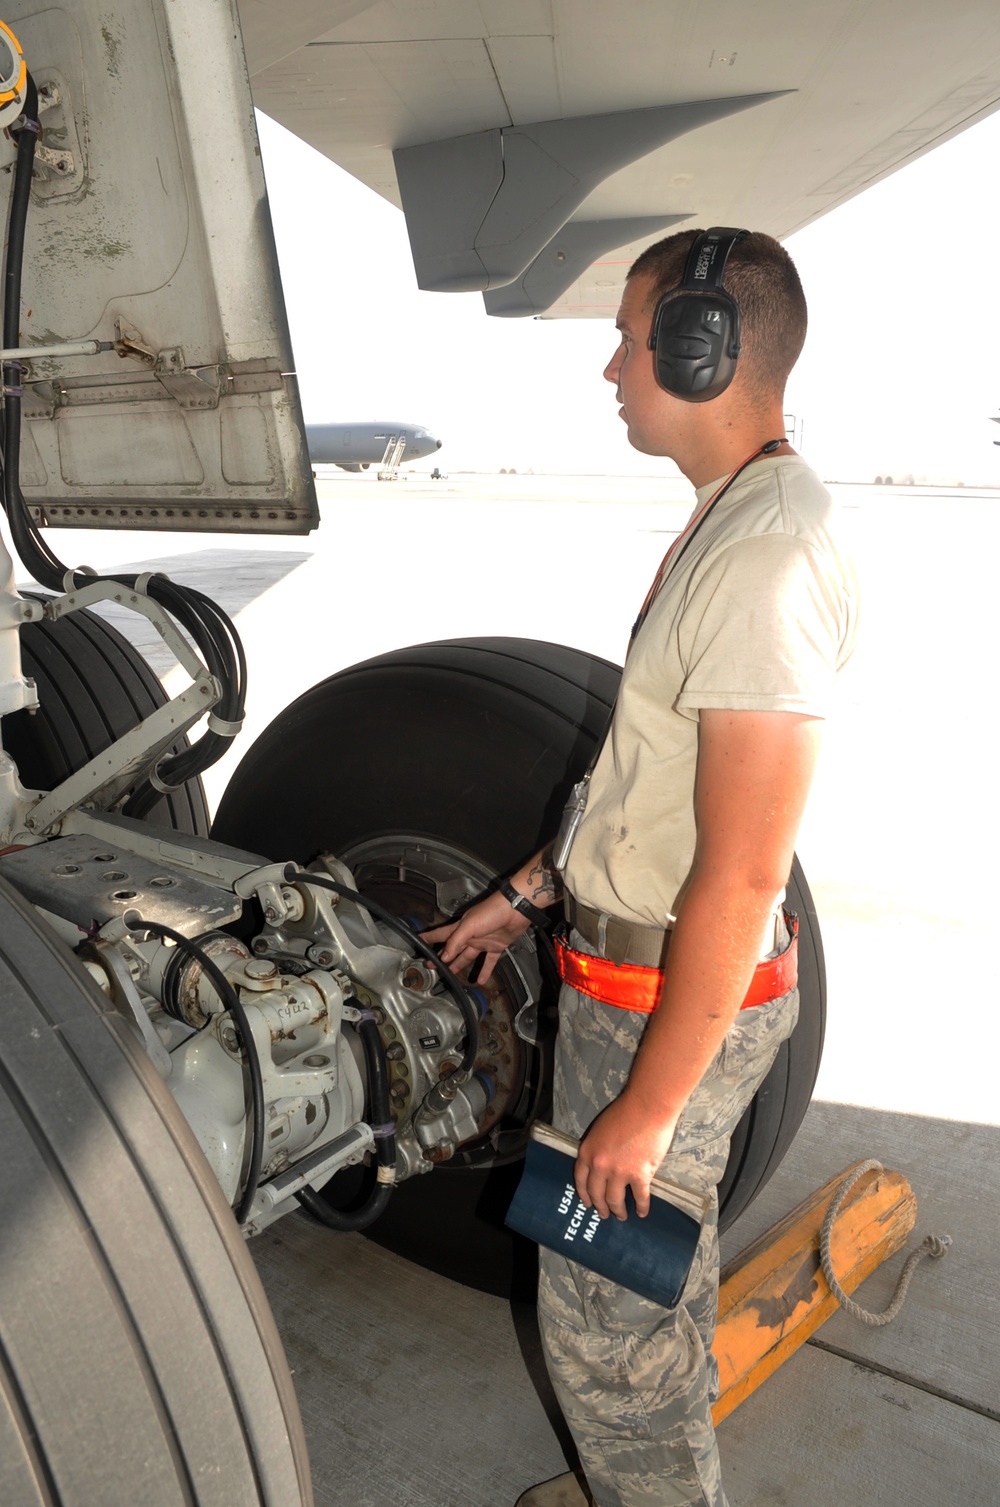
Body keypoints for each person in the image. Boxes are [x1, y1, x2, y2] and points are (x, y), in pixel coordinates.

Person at [423, 228, 858, 1507]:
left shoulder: (763, 557)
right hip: (638, 985)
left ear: (700, 345)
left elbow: (737, 870)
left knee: (607, 1340)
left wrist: (647, 1111)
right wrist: (528, 890)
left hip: (657, 1011)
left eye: (629, 336)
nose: (610, 367)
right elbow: (644, 780)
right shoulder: (732, 519)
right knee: (645, 1300)